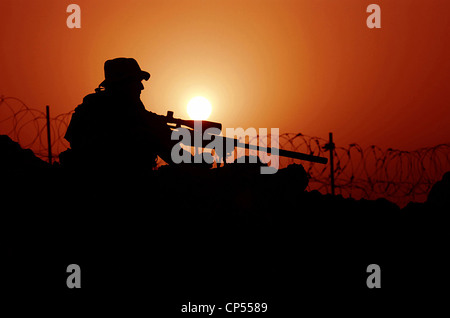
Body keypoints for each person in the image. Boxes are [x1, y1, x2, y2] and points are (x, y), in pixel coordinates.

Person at [62, 58, 181, 172]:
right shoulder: (101, 109)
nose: (141, 87)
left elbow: (149, 120)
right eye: (136, 82)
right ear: (122, 84)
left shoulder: (128, 106)